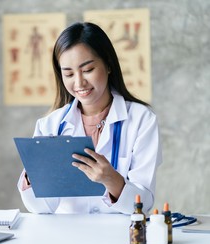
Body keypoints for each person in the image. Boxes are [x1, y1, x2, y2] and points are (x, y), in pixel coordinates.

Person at [17, 22, 162, 215]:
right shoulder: (50, 126)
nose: (79, 82)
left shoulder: (142, 120)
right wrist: (33, 176)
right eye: (68, 73)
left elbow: (143, 204)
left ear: (108, 64)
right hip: (67, 238)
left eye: (87, 70)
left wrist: (111, 179)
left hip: (119, 238)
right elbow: (41, 208)